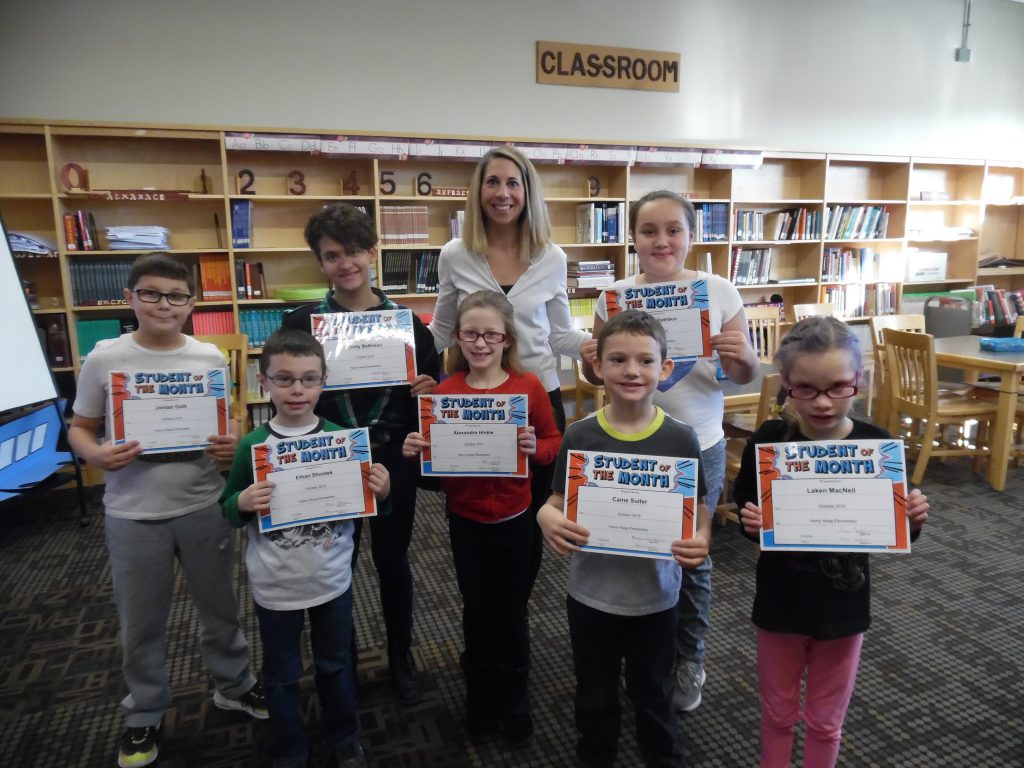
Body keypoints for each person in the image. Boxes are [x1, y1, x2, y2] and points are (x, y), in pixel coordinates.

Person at [68, 253, 265, 768]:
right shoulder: (104, 359)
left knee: (220, 608)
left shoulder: (208, 359)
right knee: (141, 623)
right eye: (151, 293)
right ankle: (144, 713)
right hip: (133, 512)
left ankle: (234, 684)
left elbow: (229, 430)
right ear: (130, 297)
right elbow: (80, 427)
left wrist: (232, 447)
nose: (163, 304)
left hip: (201, 503)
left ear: (191, 304)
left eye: (176, 295)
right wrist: (96, 454)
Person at [583, 189, 759, 712]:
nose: (661, 241)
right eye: (649, 231)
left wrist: (744, 355)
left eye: (673, 230)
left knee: (691, 558)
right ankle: (634, 655)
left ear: (690, 235)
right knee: (627, 547)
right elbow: (602, 375)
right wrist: (594, 359)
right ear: (632, 237)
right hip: (630, 443)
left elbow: (742, 376)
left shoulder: (718, 290)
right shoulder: (612, 297)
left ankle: (689, 658)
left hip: (697, 443)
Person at [734, 316, 930, 768]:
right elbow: (748, 506)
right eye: (806, 388)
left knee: (826, 719)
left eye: (837, 387)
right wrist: (752, 521)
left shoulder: (876, 445)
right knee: (778, 712)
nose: (822, 402)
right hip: (781, 603)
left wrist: (912, 519)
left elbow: (894, 531)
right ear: (787, 385)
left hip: (844, 607)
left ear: (857, 382)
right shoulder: (769, 442)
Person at [537, 310, 711, 768]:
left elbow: (701, 509)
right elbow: (555, 502)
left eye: (644, 361)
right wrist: (544, 517)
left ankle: (662, 756)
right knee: (594, 692)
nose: (631, 371)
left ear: (664, 369)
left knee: (654, 691)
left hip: (657, 597)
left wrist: (703, 537)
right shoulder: (580, 435)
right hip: (591, 595)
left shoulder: (680, 439)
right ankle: (595, 756)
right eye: (617, 360)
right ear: (597, 367)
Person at [281, 203, 439, 706]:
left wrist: (427, 390)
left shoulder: (407, 324)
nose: (345, 263)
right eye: (331, 256)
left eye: (353, 251)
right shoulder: (302, 322)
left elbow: (432, 397)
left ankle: (400, 657)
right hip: (330, 456)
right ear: (320, 262)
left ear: (372, 252)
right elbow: (288, 392)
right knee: (335, 562)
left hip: (393, 455)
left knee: (393, 559)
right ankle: (340, 659)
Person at [429, 145, 596, 590]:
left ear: (528, 192)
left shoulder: (551, 257)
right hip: (474, 398)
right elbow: (443, 328)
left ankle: (517, 603)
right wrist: (413, 368)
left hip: (535, 397)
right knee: (470, 505)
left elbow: (560, 335)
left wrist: (601, 349)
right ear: (477, 191)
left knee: (532, 511)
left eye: (512, 183)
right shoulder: (454, 254)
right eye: (492, 182)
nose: (502, 193)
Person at [221, 329, 391, 768]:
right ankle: (289, 746)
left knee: (336, 665)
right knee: (281, 674)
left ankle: (343, 737)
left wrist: (381, 490)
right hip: (274, 585)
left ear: (323, 382)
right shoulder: (252, 447)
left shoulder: (344, 440)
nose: (297, 389)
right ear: (265, 382)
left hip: (332, 579)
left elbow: (366, 510)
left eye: (308, 379)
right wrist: (241, 502)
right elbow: (228, 509)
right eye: (284, 379)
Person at [403, 290, 560, 746]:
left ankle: (514, 697)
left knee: (511, 610)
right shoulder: (445, 392)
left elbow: (554, 441)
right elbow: (433, 468)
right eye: (470, 333)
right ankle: (479, 696)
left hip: (516, 519)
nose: (480, 342)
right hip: (464, 520)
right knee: (475, 607)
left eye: (491, 334)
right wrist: (416, 452)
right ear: (457, 336)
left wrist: (537, 448)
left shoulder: (527, 387)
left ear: (507, 337)